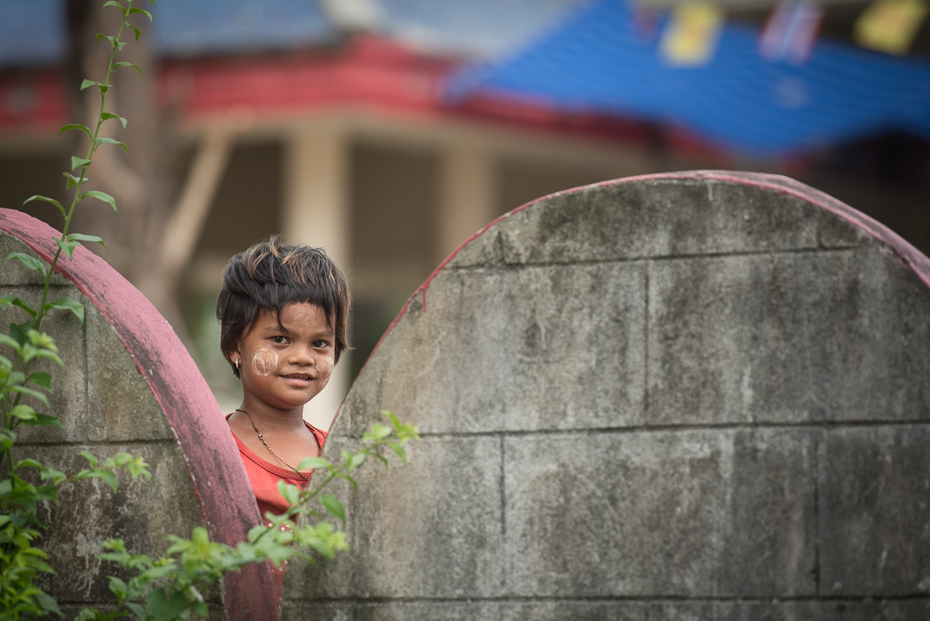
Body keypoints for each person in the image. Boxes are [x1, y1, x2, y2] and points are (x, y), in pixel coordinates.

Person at [215, 235, 350, 593]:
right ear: (234, 347)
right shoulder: (213, 453)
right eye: (280, 339)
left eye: (320, 343)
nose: (303, 357)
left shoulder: (340, 457)